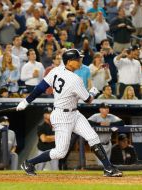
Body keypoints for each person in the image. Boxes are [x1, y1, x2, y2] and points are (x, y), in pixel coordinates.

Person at [16, 49, 122, 177]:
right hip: (62, 116)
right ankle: (29, 163)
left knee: (93, 137)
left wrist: (26, 101)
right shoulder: (74, 79)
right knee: (60, 152)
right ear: (69, 62)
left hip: (74, 114)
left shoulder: (56, 70)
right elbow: (88, 100)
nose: (80, 61)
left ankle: (108, 168)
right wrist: (94, 92)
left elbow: (40, 88)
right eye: (77, 59)